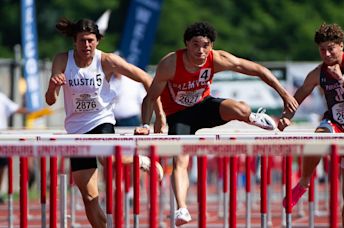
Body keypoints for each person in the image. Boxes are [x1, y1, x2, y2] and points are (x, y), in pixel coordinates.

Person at [135, 21, 298, 226]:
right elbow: (150, 98)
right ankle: (182, 208)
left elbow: (258, 70)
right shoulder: (170, 64)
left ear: (211, 46)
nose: (200, 51)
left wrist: (284, 95)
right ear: (187, 44)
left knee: (242, 108)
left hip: (204, 107)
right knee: (180, 161)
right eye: (195, 45)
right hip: (179, 115)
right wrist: (145, 124)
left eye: (205, 45)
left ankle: (251, 118)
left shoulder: (218, 58)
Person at [45, 18, 166, 228]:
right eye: (82, 41)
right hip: (76, 129)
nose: (86, 46)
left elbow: (147, 79)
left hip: (101, 120)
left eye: (90, 41)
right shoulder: (63, 60)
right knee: (90, 196)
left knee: (106, 158)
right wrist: (51, 87)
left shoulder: (107, 60)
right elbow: (50, 100)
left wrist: (160, 116)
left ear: (98, 41)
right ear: (74, 42)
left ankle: (138, 160)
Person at [279, 23, 344, 228]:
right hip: (335, 122)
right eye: (322, 50)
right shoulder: (317, 73)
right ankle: (304, 182)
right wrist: (286, 117)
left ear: (341, 45)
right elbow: (299, 95)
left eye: (331, 48)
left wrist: (343, 79)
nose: (327, 53)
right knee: (318, 137)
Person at [0, 92, 29, 203]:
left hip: (2, 137)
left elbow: (16, 108)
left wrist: (32, 112)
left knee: (2, 165)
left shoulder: (1, 97)